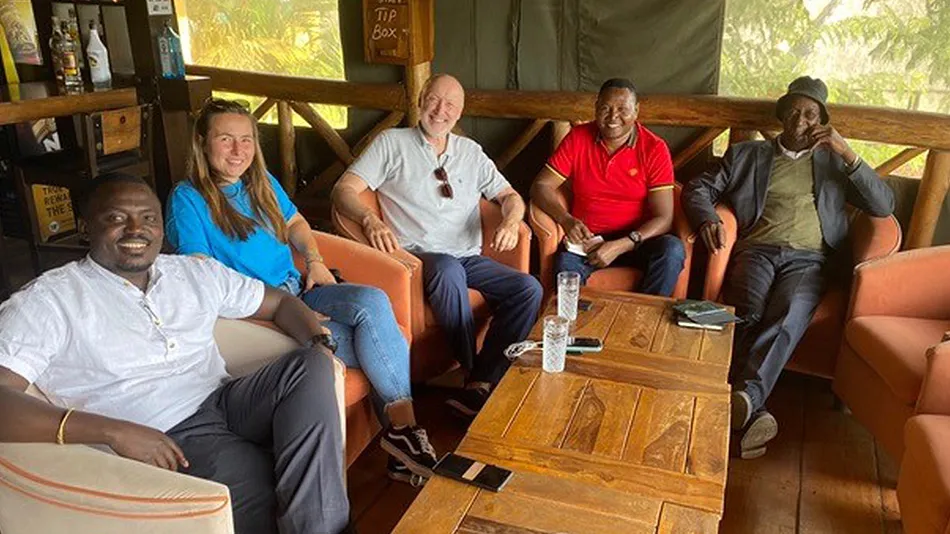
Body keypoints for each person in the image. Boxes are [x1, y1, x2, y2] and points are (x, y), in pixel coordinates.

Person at [0, 174, 351, 534]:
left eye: (149, 218)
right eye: (117, 218)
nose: (137, 229)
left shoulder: (190, 272)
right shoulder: (49, 301)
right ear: (85, 227)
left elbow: (279, 302)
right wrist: (112, 432)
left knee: (310, 366)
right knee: (258, 483)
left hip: (226, 398)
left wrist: (319, 341)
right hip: (166, 428)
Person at [164, 98, 437, 485]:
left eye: (246, 140)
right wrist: (289, 314)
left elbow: (296, 223)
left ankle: (400, 436)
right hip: (259, 314)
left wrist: (314, 260)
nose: (239, 151)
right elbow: (203, 284)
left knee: (373, 302)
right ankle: (404, 436)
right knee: (369, 339)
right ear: (203, 143)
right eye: (226, 139)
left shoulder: (259, 182)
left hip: (300, 288)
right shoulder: (187, 200)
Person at [682, 76, 895, 459]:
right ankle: (752, 408)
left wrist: (848, 153)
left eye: (811, 114)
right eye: (794, 111)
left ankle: (742, 400)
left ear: (822, 122)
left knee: (788, 313)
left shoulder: (833, 162)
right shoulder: (748, 155)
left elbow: (883, 205)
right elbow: (699, 187)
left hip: (809, 260)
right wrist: (706, 219)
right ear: (781, 115)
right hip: (757, 251)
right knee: (746, 312)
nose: (801, 121)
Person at [331, 74, 543, 419]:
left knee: (528, 288)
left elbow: (510, 197)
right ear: (420, 101)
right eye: (433, 100)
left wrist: (509, 220)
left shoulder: (470, 152)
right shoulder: (391, 143)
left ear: (459, 114)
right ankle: (472, 371)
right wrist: (370, 219)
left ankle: (482, 379)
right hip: (417, 256)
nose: (440, 110)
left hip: (467, 257)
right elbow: (343, 191)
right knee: (446, 268)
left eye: (450, 105)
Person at [531, 78, 685, 295]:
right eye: (605, 108)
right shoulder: (577, 138)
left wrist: (623, 244)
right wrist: (565, 219)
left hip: (636, 240)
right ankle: (577, 326)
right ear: (595, 108)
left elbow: (664, 218)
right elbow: (540, 185)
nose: (613, 117)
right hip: (587, 240)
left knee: (672, 250)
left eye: (623, 109)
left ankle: (643, 320)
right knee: (565, 276)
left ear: (636, 111)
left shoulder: (654, 148)